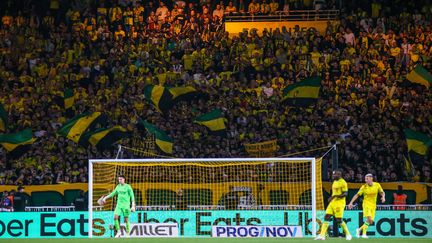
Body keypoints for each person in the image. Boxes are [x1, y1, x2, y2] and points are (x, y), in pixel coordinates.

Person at [315, 170, 352, 240]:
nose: (333, 176)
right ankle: (322, 235)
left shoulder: (343, 182)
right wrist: (332, 197)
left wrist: (334, 196)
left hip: (339, 203)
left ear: (339, 175)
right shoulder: (334, 182)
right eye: (332, 175)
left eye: (334, 175)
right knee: (327, 216)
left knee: (339, 220)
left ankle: (348, 234)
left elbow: (345, 194)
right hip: (332, 203)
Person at [348, 174, 385, 239]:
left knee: (370, 221)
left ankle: (359, 230)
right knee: (369, 219)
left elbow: (382, 192)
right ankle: (364, 234)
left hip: (373, 205)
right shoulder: (364, 187)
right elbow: (357, 195)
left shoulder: (377, 185)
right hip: (366, 204)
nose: (365, 180)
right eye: (365, 179)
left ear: (371, 178)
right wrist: (351, 202)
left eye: (367, 178)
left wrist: (383, 197)